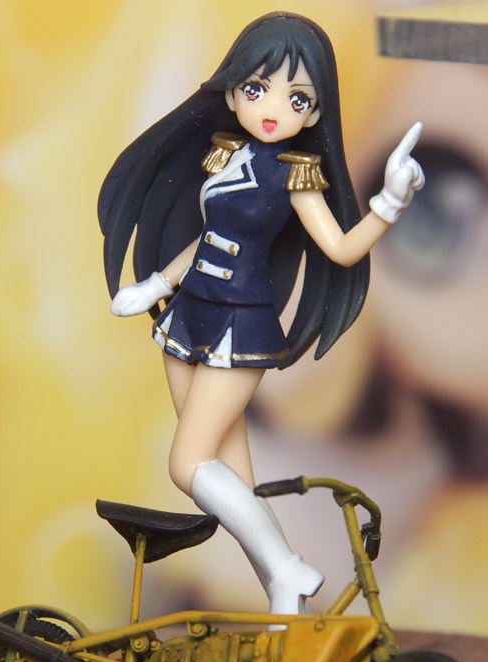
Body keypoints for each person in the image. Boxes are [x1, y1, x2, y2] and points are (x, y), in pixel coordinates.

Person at [98, 12, 424, 616]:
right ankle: (283, 594)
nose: (274, 107)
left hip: (237, 326)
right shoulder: (223, 155)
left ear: (315, 113)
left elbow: (341, 248)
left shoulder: (296, 176)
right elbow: (207, 238)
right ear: (232, 92)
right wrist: (156, 285)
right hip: (188, 314)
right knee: (231, 476)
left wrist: (389, 203)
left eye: (296, 98)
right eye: (257, 88)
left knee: (188, 465)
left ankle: (286, 566)